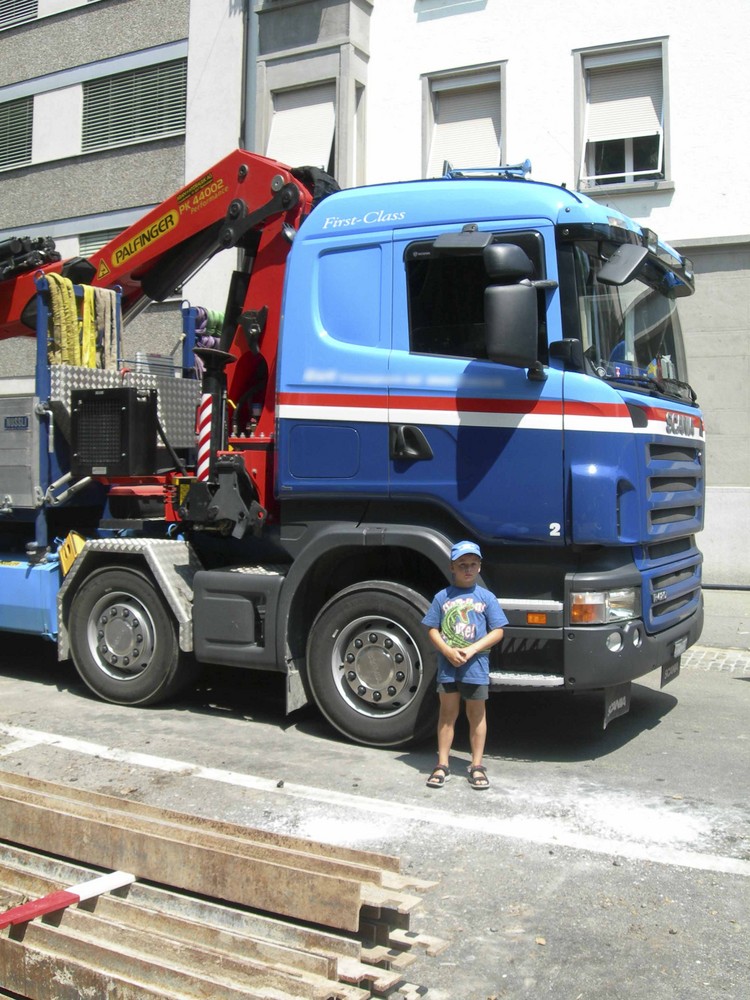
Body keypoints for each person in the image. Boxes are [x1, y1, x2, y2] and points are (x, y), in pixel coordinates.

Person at [421, 541, 507, 790]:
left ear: (479, 567)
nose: (468, 569)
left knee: (476, 714)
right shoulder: (442, 597)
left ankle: (477, 765)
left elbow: (498, 630)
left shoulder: (486, 597)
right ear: (452, 568)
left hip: (476, 666)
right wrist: (447, 651)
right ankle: (442, 763)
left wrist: (472, 649)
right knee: (447, 714)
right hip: (449, 667)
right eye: (462, 565)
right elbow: (432, 629)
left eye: (473, 564)